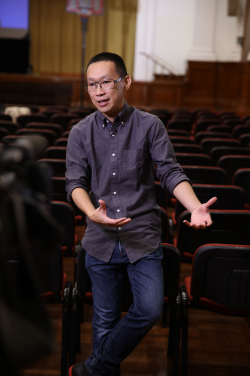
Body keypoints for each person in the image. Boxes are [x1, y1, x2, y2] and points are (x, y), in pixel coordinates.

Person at [65, 52, 217, 376]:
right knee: (104, 321)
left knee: (148, 311)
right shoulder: (80, 132)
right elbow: (75, 182)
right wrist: (92, 212)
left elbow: (171, 172)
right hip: (100, 239)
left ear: (126, 82)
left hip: (142, 237)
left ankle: (90, 370)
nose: (99, 91)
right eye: (92, 84)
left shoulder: (150, 125)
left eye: (106, 82)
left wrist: (194, 206)